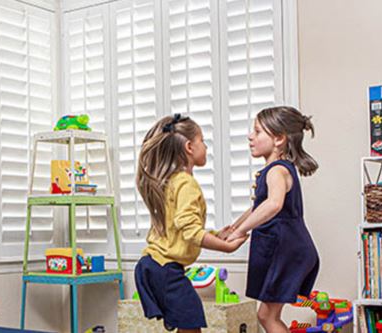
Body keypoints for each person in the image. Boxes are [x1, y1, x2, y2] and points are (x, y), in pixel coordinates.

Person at [134, 114, 249, 333]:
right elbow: (189, 231)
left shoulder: (172, 181)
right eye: (202, 141)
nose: (206, 146)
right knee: (191, 323)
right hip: (164, 268)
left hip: (153, 266)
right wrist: (226, 247)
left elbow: (178, 227)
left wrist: (216, 234)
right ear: (189, 147)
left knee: (188, 323)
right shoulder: (186, 183)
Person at [222, 106, 320, 333]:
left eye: (257, 132)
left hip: (286, 250)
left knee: (267, 316)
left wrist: (240, 232)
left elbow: (273, 204)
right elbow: (259, 206)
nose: (250, 136)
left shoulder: (277, 170)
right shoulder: (277, 169)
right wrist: (234, 227)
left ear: (278, 139)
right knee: (267, 315)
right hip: (287, 248)